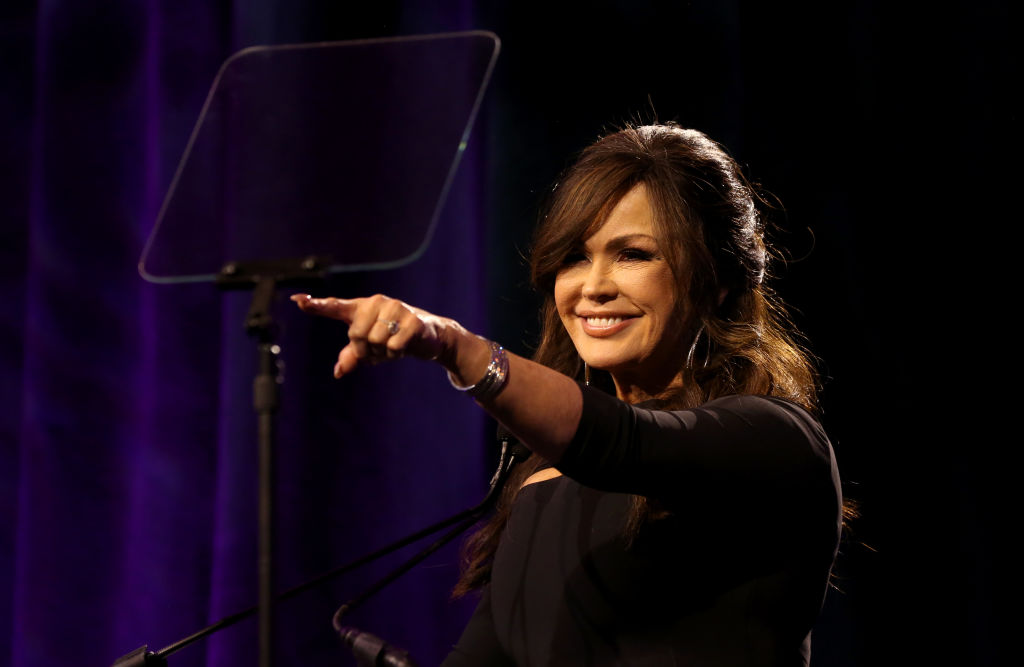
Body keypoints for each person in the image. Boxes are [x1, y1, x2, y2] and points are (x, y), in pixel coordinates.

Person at [292, 123, 842, 666]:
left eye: (633, 254)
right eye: (576, 256)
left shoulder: (775, 441)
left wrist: (457, 348)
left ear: (717, 277)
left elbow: (625, 444)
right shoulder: (539, 483)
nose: (594, 286)